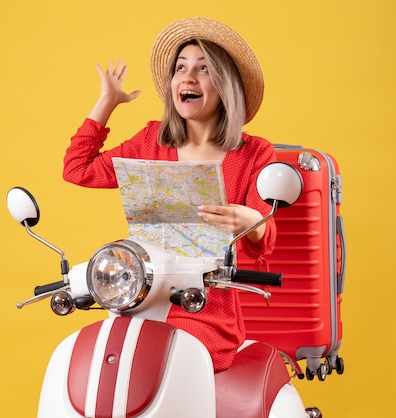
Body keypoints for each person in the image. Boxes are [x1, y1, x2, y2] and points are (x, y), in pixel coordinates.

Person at [62, 17, 276, 372]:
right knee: (104, 355)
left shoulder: (254, 153)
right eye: (181, 68)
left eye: (203, 69)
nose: (188, 77)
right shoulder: (152, 141)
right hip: (141, 297)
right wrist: (107, 102)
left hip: (206, 310)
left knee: (160, 358)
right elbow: (78, 170)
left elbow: (263, 240)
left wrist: (252, 221)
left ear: (226, 86)